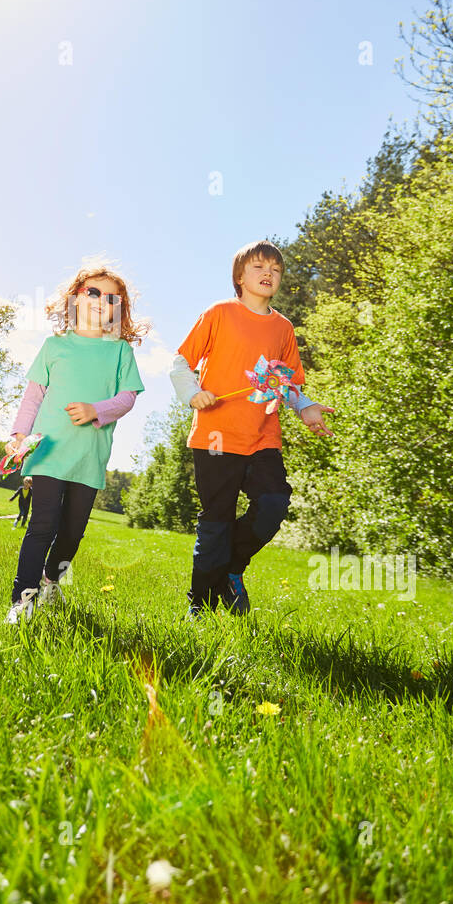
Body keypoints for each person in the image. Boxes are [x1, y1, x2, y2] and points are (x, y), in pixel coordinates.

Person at [170, 238, 334, 619]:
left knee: (274, 504)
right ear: (239, 276)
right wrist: (192, 393)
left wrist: (305, 407)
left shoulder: (283, 328)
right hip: (215, 435)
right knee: (216, 519)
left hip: (263, 436)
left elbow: (287, 383)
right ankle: (201, 605)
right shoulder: (219, 313)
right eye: (259, 267)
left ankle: (231, 567)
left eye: (275, 269)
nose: (268, 274)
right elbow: (181, 362)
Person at [4, 261, 147, 624]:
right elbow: (33, 396)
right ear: (74, 299)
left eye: (112, 297)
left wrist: (96, 409)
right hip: (49, 450)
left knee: (72, 534)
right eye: (93, 292)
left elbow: (128, 397)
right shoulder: (54, 346)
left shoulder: (119, 351)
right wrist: (19, 436)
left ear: (119, 309)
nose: (102, 300)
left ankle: (52, 579)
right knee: (42, 525)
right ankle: (23, 600)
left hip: (88, 456)